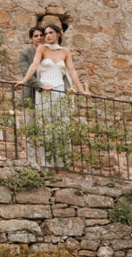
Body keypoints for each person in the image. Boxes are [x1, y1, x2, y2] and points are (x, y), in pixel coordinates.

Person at [15, 24, 88, 166]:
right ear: (31, 39)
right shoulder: (34, 51)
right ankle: (43, 164)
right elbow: (32, 67)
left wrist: (80, 90)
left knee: (62, 126)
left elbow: (71, 72)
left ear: (58, 34)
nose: (44, 36)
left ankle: (63, 164)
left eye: (49, 33)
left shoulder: (65, 51)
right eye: (41, 34)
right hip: (39, 92)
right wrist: (26, 81)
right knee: (42, 128)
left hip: (59, 90)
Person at [17, 26, 45, 106]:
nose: (39, 38)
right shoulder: (24, 54)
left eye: (41, 35)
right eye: (36, 36)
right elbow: (27, 74)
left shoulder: (49, 53)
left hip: (49, 92)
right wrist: (41, 86)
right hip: (30, 92)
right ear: (31, 38)